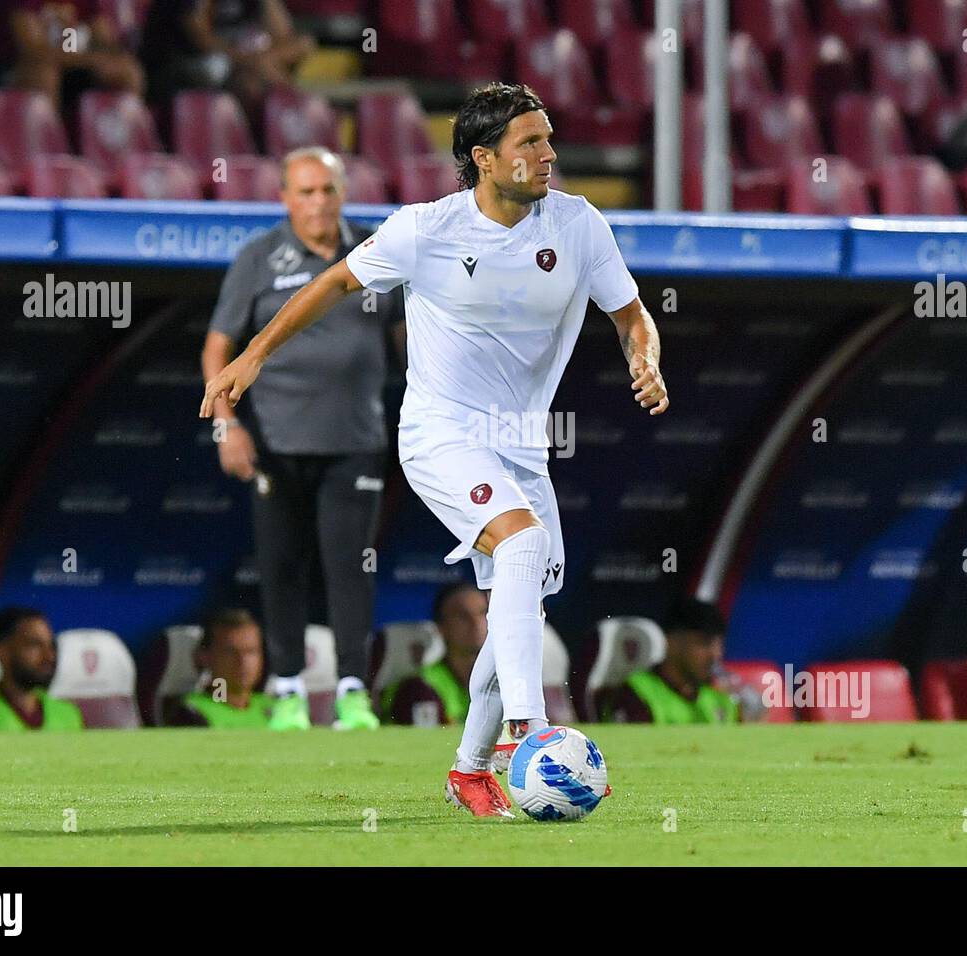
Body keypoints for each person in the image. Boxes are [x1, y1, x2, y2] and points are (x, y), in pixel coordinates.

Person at [202, 82, 668, 818]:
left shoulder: (579, 226)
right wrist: (254, 356)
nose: (549, 154)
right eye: (531, 143)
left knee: (525, 597)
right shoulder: (425, 229)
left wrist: (646, 356)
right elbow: (332, 283)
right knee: (522, 547)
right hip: (441, 433)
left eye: (549, 138)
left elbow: (632, 316)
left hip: (522, 447)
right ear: (485, 159)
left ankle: (468, 769)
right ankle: (529, 733)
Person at [201, 147, 402, 733]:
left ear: (344, 194)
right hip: (274, 440)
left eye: (328, 191)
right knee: (281, 566)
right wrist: (226, 425)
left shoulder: (376, 249)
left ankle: (352, 693)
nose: (318, 202)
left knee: (350, 567)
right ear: (284, 198)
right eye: (306, 192)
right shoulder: (259, 258)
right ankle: (286, 689)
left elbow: (406, 337)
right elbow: (219, 347)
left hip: (355, 439)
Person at [140, 0, 315, 115]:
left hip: (238, 62)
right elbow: (199, 35)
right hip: (181, 66)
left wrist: (257, 61)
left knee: (302, 43)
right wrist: (245, 60)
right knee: (248, 81)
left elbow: (284, 35)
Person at [602, 598, 739, 725]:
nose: (715, 654)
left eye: (719, 644)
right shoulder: (638, 694)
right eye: (703, 643)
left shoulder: (721, 697)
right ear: (671, 642)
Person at [164, 608, 301, 729]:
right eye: (230, 652)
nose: (242, 661)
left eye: (251, 651)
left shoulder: (277, 708)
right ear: (205, 656)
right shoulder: (192, 712)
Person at [1, 0, 145, 110]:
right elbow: (34, 51)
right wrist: (91, 59)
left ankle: (125, 140)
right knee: (43, 72)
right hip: (11, 69)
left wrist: (111, 56)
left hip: (74, 67)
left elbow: (106, 44)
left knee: (126, 70)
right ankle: (45, 139)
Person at [383, 582, 488, 726]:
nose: (477, 623)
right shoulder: (418, 688)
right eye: (463, 616)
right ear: (441, 627)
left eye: (483, 613)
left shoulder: (502, 679)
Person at [0, 607, 84, 731]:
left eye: (51, 645)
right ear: (2, 650)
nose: (49, 656)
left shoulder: (68, 714)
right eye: (35, 645)